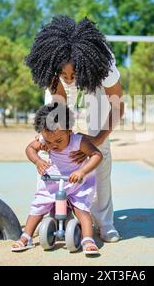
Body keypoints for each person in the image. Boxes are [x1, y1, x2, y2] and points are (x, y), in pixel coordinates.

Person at [25, 15, 124, 243]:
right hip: (63, 89)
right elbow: (59, 110)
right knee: (52, 144)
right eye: (65, 74)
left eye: (73, 74)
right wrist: (51, 138)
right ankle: (57, 207)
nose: (70, 80)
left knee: (101, 150)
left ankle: (105, 222)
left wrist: (96, 140)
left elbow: (118, 106)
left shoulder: (104, 66)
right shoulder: (54, 69)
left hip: (94, 84)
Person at [11, 103, 103, 255]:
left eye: (59, 141)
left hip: (76, 182)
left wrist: (82, 171)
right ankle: (26, 236)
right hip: (54, 180)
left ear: (68, 130)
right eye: (49, 142)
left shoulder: (77, 141)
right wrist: (37, 161)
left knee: (82, 210)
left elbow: (96, 155)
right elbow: (30, 148)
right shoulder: (45, 137)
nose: (53, 146)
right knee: (38, 206)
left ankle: (87, 239)